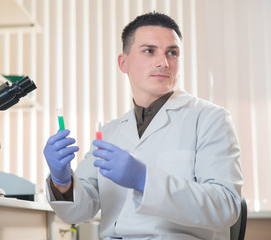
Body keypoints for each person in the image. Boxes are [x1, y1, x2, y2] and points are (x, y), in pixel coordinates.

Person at [43, 11, 243, 240]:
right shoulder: (110, 132)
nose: (164, 62)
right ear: (124, 62)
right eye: (149, 51)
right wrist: (62, 181)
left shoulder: (210, 119)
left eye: (172, 53)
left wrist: (144, 179)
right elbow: (79, 212)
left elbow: (226, 207)